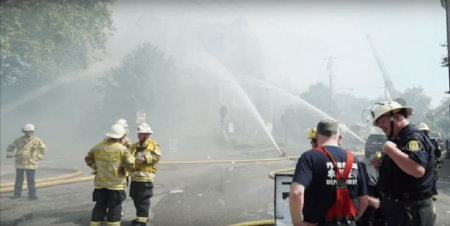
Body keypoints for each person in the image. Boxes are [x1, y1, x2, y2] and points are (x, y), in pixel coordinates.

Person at [290, 119, 368, 226]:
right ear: (339, 136)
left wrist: (297, 222)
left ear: (317, 135)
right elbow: (363, 200)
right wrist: (353, 218)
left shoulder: (309, 157)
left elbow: (296, 193)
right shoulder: (354, 159)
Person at [369, 101, 435, 226]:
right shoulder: (399, 138)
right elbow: (402, 168)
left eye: (382, 122)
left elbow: (417, 169)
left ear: (397, 117)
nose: (380, 127)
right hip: (400, 210)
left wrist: (390, 149)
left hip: (410, 213)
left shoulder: (413, 137)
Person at [85, 124, 135, 226]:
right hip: (116, 184)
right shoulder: (122, 149)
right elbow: (131, 164)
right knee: (114, 206)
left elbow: (88, 159)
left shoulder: (98, 146)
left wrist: (96, 168)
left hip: (100, 183)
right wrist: (124, 171)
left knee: (99, 206)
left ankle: (95, 224)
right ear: (121, 137)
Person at [128, 123, 162, 226]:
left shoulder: (153, 144)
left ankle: (142, 221)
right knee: (135, 197)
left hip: (146, 177)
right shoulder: (134, 146)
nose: (138, 135)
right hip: (134, 178)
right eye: (138, 134)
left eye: (141, 134)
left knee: (143, 199)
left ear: (147, 135)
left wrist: (146, 158)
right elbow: (128, 157)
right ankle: (140, 218)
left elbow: (157, 157)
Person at [6, 123, 47, 201]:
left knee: (31, 180)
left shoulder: (37, 140)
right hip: (20, 164)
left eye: (31, 131)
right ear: (24, 132)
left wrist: (39, 157)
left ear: (33, 131)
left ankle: (32, 194)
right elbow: (10, 146)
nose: (29, 133)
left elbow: (43, 149)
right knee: (19, 179)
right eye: (27, 131)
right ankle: (17, 194)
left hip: (31, 164)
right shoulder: (18, 140)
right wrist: (9, 154)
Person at [417, 122, 441, 201]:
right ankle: (434, 194)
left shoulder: (416, 141)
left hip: (419, 164)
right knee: (432, 177)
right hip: (431, 163)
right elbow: (438, 153)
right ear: (427, 131)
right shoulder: (433, 141)